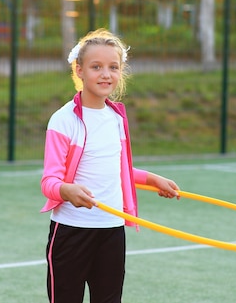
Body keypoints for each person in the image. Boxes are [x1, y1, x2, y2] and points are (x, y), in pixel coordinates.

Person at [40, 28, 180, 303]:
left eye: (113, 67)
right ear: (79, 71)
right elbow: (49, 182)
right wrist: (67, 191)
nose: (106, 74)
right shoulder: (63, 120)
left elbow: (119, 171)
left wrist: (153, 179)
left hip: (111, 230)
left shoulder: (116, 118)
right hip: (72, 230)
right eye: (96, 67)